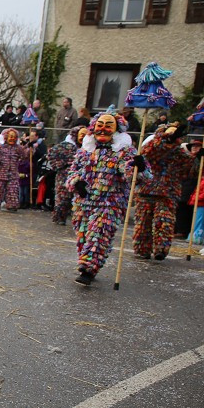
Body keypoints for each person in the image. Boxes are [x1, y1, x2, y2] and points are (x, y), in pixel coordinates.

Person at [66, 108, 148, 286]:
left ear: (117, 129)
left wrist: (137, 167)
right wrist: (76, 182)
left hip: (109, 203)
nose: (103, 129)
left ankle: (88, 268)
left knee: (99, 234)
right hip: (83, 202)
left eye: (108, 126)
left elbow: (135, 176)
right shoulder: (85, 150)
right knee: (84, 236)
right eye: (100, 125)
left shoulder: (124, 151)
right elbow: (72, 172)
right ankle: (86, 262)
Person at [132, 122, 196, 260]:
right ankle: (142, 248)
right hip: (146, 189)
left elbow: (190, 169)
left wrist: (200, 158)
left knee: (165, 221)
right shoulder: (152, 146)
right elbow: (151, 152)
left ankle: (161, 248)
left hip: (168, 192)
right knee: (143, 222)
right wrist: (168, 139)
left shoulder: (179, 153)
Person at [46, 127, 84, 225]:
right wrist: (60, 164)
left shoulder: (88, 147)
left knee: (80, 199)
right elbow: (51, 154)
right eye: (81, 134)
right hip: (64, 176)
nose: (83, 137)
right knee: (63, 198)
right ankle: (59, 217)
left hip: (81, 176)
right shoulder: (64, 146)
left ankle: (79, 220)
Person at [0, 129, 27, 211]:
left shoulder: (17, 148)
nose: (12, 139)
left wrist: (28, 148)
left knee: (13, 190)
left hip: (13, 174)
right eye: (10, 137)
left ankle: (12, 205)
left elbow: (24, 155)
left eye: (14, 137)